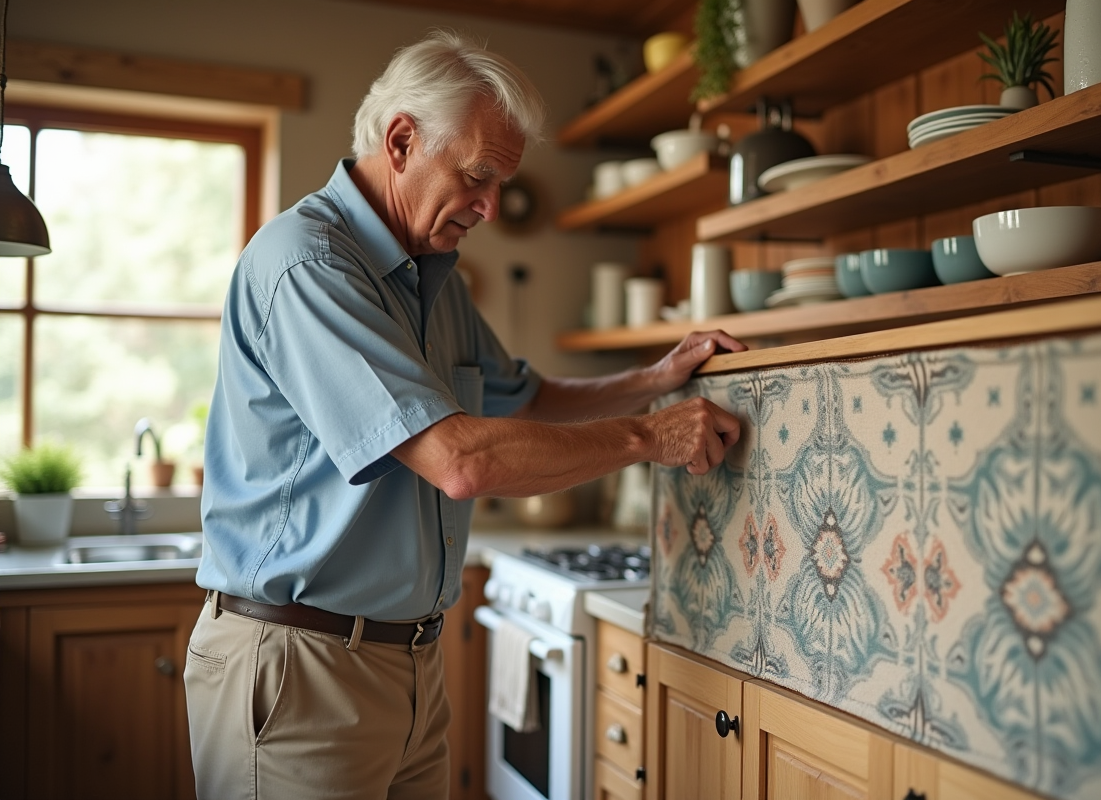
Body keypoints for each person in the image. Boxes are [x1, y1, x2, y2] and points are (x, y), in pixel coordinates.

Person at [183, 29, 745, 800]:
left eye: (500, 184)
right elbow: (460, 460)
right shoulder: (307, 264)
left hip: (410, 663)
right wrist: (650, 437)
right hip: (298, 666)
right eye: (477, 176)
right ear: (403, 140)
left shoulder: (437, 282)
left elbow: (529, 397)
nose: (488, 206)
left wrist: (658, 377)